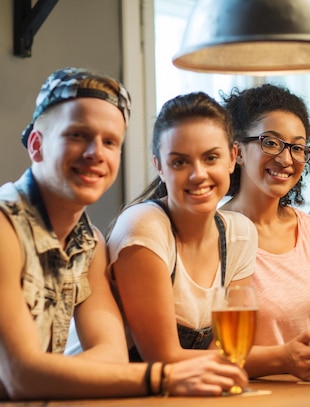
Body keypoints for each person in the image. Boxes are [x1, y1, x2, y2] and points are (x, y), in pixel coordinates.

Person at [0, 68, 247, 400]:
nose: (95, 153)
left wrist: (47, 374)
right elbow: (21, 377)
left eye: (110, 142)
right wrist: (163, 377)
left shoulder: (88, 242)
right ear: (37, 145)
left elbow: (111, 355)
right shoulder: (5, 227)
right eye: (77, 135)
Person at [220, 83, 310, 380]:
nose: (286, 159)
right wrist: (285, 360)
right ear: (237, 152)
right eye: (270, 143)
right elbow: (211, 350)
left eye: (297, 148)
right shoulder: (215, 231)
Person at [107, 92, 257, 363]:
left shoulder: (240, 234)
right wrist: (284, 357)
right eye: (180, 162)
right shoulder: (144, 226)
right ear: (160, 167)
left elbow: (224, 356)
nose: (197, 174)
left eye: (211, 158)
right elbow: (163, 358)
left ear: (233, 157)